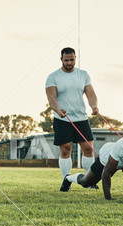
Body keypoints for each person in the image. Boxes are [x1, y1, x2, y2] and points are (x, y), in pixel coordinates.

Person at [45, 47, 99, 191]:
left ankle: (90, 181)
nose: (69, 62)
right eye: (66, 60)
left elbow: (90, 93)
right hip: (62, 119)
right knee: (65, 150)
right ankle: (66, 180)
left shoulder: (83, 74)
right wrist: (58, 110)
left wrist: (94, 106)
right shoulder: (53, 77)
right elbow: (51, 98)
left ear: (75, 58)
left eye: (72, 59)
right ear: (61, 59)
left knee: (88, 149)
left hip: (81, 118)